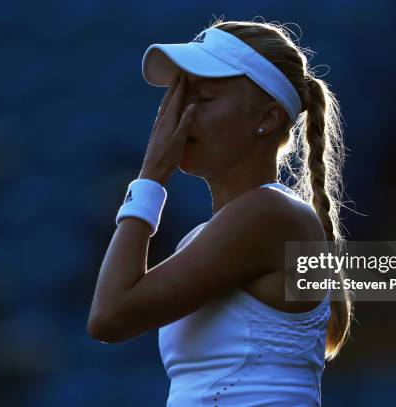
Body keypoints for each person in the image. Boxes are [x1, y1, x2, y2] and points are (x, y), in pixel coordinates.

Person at [88, 18, 352, 406]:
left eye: (204, 99)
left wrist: (151, 175)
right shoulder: (206, 236)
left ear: (267, 118)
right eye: (180, 98)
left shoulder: (269, 213)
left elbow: (110, 316)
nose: (181, 114)